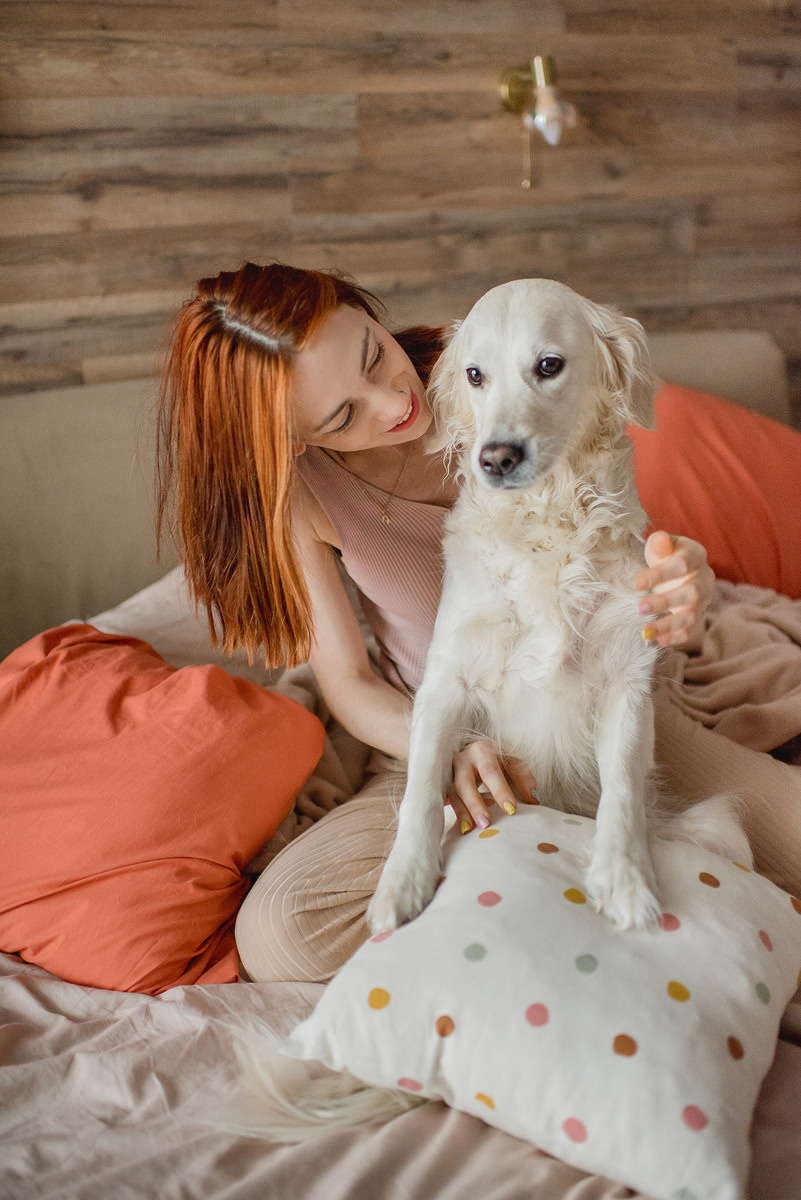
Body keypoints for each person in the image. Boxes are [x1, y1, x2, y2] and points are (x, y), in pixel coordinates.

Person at [157, 261, 800, 984]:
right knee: (283, 933)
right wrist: (450, 756)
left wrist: (687, 581)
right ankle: (589, 943)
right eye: (343, 415)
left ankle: (628, 914)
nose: (392, 400)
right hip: (450, 727)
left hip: (591, 693)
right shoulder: (303, 497)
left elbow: (628, 545)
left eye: (373, 353)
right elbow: (348, 680)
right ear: (296, 440)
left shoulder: (492, 357)